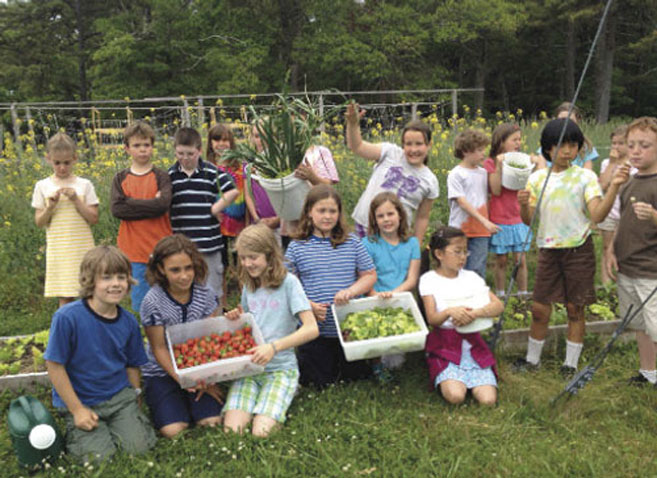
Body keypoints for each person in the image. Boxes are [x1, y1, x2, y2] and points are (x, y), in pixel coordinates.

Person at [515, 118, 629, 376]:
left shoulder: (585, 177)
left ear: (579, 147)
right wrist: (523, 204)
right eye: (560, 145)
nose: (567, 150)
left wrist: (614, 187)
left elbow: (598, 216)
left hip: (579, 250)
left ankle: (571, 364)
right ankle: (532, 360)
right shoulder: (537, 179)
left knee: (575, 307)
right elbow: (530, 220)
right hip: (547, 250)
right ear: (547, 148)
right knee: (540, 307)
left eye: (572, 145)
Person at [44, 246, 156, 462]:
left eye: (121, 277)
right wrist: (77, 410)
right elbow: (55, 365)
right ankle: (79, 432)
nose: (115, 283)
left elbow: (132, 365)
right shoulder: (67, 317)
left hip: (119, 398)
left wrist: (135, 399)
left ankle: (127, 423)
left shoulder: (129, 322)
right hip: (82, 400)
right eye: (106, 277)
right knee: (99, 459)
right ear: (90, 281)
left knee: (138, 450)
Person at [223, 224, 319, 437]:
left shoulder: (289, 284)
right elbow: (250, 321)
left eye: (253, 257)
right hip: (251, 368)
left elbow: (311, 329)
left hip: (280, 368)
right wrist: (237, 317)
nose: (247, 263)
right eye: (243, 258)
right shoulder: (250, 284)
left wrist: (273, 348)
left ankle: (288, 388)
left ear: (269, 254)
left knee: (262, 432)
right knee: (232, 430)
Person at [285, 184, 377, 388]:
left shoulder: (352, 242)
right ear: (309, 212)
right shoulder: (297, 246)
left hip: (349, 327)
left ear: (339, 213)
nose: (327, 216)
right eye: (321, 210)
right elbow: (286, 287)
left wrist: (351, 291)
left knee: (355, 378)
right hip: (315, 330)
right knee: (318, 382)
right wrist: (307, 305)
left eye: (332, 211)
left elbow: (369, 275)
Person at [140, 234, 224, 438]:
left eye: (188, 268)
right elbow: (159, 348)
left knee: (211, 422)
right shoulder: (153, 301)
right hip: (163, 371)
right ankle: (169, 401)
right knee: (173, 430)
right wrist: (183, 380)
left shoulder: (205, 293)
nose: (184, 276)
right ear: (161, 269)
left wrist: (207, 379)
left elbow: (208, 337)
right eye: (175, 270)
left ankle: (195, 402)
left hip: (197, 366)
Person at [419, 226, 503, 405]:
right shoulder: (429, 280)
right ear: (439, 254)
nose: (463, 257)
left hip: (473, 342)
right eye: (457, 252)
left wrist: (475, 314)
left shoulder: (471, 278)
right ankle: (449, 375)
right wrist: (450, 311)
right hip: (445, 344)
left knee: (488, 400)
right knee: (455, 396)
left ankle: (476, 376)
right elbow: (432, 319)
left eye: (465, 252)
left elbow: (498, 306)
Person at [606, 117, 657, 386]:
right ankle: (648, 373)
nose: (636, 151)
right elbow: (620, 222)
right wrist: (611, 251)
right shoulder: (627, 182)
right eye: (632, 145)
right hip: (628, 267)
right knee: (638, 324)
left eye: (645, 145)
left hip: (652, 271)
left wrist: (654, 217)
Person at [346, 102, 439, 245]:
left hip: (394, 237)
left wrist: (416, 245)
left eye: (419, 144)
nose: (413, 149)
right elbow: (357, 146)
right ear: (403, 145)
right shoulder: (390, 153)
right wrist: (353, 124)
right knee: (361, 267)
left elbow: (422, 217)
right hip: (364, 227)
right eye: (408, 144)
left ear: (429, 145)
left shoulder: (430, 180)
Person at [168, 127, 239, 303]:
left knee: (212, 289)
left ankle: (215, 321)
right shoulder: (170, 175)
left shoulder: (210, 171)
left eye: (190, 154)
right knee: (185, 289)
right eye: (180, 153)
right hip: (183, 245)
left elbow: (232, 190)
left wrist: (217, 207)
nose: (185, 158)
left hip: (209, 243)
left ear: (199, 151)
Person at [32, 132, 99, 308]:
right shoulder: (42, 186)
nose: (62, 167)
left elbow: (93, 218)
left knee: (89, 294)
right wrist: (50, 207)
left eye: (67, 163)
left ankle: (91, 332)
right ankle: (66, 333)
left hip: (82, 247)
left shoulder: (84, 185)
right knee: (65, 297)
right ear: (48, 159)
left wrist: (76, 200)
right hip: (59, 249)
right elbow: (39, 222)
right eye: (57, 163)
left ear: (75, 158)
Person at [111, 121, 172, 312]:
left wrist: (129, 201)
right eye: (137, 145)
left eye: (146, 145)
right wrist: (150, 204)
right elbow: (117, 209)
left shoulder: (162, 176)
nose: (142, 150)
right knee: (141, 304)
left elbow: (162, 206)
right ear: (127, 148)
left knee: (167, 301)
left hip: (162, 248)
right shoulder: (120, 178)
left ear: (152, 147)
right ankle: (145, 340)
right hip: (134, 251)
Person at [362, 192, 421, 380]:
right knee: (375, 333)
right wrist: (376, 295)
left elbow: (412, 279)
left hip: (400, 297)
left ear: (400, 215)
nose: (386, 219)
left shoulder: (412, 243)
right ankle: (375, 362)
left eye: (390, 214)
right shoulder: (368, 243)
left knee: (396, 361)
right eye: (380, 216)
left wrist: (393, 294)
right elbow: (365, 277)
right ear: (374, 220)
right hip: (374, 297)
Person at [483, 123, 532, 297]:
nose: (518, 143)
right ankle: (501, 293)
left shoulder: (522, 160)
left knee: (520, 259)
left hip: (519, 217)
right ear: (501, 141)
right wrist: (499, 165)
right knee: (501, 259)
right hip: (499, 218)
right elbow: (495, 190)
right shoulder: (490, 163)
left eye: (520, 139)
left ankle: (523, 293)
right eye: (514, 140)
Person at [206, 123, 250, 307]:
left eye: (225, 140)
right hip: (218, 225)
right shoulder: (208, 168)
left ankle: (245, 302)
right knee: (220, 267)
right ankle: (222, 305)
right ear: (210, 143)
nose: (221, 144)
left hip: (240, 224)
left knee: (244, 265)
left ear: (232, 142)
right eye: (216, 140)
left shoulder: (241, 166)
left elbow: (248, 195)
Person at [447, 129, 498, 279]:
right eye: (479, 150)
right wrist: (484, 221)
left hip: (481, 231)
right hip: (459, 229)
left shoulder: (483, 173)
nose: (483, 154)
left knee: (477, 270)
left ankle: (476, 301)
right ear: (466, 151)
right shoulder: (456, 174)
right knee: (456, 268)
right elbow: (461, 201)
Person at [281, 143, 340, 248]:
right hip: (291, 226)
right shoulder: (282, 150)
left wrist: (311, 177)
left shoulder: (321, 152)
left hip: (317, 227)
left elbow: (328, 187)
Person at [598, 125, 631, 285]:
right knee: (606, 248)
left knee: (624, 250)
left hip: (626, 214)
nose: (616, 147)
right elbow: (602, 185)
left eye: (620, 143)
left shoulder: (634, 164)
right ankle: (606, 285)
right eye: (614, 143)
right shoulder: (606, 163)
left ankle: (622, 282)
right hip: (610, 212)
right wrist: (612, 164)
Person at [540, 102, 599, 170]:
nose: (566, 125)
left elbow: (588, 172)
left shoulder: (586, 147)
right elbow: (541, 168)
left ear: (578, 121)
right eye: (562, 120)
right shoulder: (548, 144)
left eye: (570, 120)